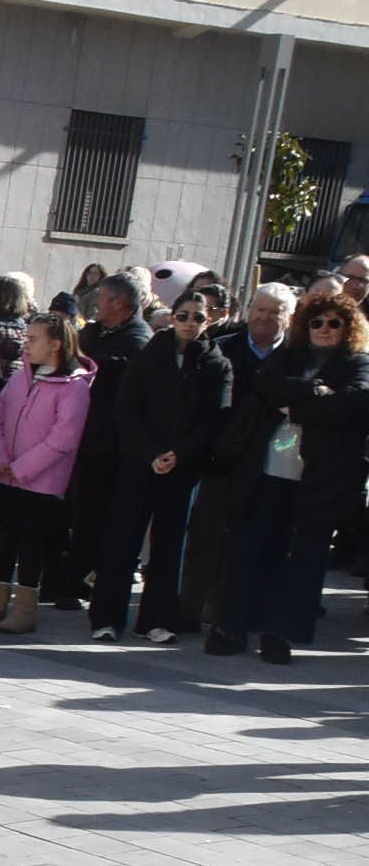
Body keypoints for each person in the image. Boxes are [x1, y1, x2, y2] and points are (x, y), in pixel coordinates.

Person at [214, 291, 369, 663]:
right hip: (268, 469)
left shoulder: (358, 362)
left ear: (348, 328)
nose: (325, 329)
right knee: (252, 547)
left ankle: (279, 633)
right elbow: (267, 383)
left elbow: (355, 401)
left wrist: (297, 406)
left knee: (302, 558)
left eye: (335, 323)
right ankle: (232, 627)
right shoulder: (291, 355)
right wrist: (314, 393)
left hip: (319, 477)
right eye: (317, 322)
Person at [88, 292, 226, 644]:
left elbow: (213, 419)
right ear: (171, 317)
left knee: (169, 544)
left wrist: (180, 453)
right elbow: (127, 409)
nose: (189, 323)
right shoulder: (148, 356)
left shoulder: (215, 363)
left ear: (208, 321)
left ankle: (157, 619)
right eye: (183, 315)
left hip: (183, 467)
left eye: (198, 317)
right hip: (139, 462)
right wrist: (151, 452)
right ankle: (106, 618)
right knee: (123, 539)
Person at [0, 311, 94, 636]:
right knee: (5, 539)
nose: (25, 345)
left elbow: (64, 438)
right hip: (6, 475)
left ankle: (26, 608)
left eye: (32, 339)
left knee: (31, 543)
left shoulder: (74, 386)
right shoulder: (19, 376)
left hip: (40, 482)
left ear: (55, 344)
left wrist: (22, 467)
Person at [189, 282, 296, 632]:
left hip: (271, 465)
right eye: (260, 309)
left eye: (275, 311)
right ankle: (192, 608)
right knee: (207, 537)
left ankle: (239, 610)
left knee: (253, 540)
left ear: (290, 317)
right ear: (248, 310)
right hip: (221, 459)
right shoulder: (222, 348)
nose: (265, 318)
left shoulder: (297, 357)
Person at [52, 269, 153, 608]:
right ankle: (60, 578)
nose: (95, 305)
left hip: (110, 445)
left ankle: (84, 582)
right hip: (78, 437)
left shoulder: (139, 339)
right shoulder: (93, 332)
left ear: (120, 303)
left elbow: (106, 375)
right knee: (71, 514)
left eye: (102, 299)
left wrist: (89, 364)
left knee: (97, 518)